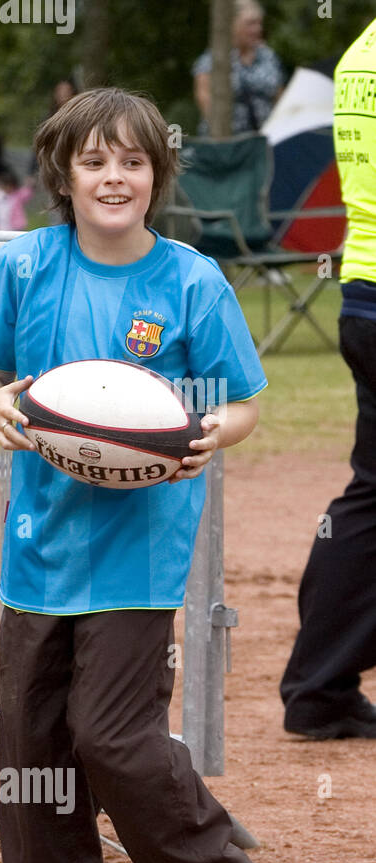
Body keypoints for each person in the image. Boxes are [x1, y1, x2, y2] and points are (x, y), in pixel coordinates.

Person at [0, 88, 267, 863]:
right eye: (94, 161)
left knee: (114, 737)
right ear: (64, 175)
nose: (113, 176)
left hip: (138, 556)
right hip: (39, 556)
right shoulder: (24, 267)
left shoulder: (192, 280)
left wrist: (211, 431)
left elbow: (240, 402)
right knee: (34, 749)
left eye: (131, 160)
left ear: (157, 174)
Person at [280, 17, 376, 740]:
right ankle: (319, 687)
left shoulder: (359, 53)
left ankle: (320, 689)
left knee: (371, 497)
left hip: (362, 293)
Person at [193, 0, 284, 135]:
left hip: (265, 141)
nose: (257, 29)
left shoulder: (268, 56)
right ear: (231, 23)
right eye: (251, 23)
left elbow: (280, 96)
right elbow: (204, 98)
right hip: (229, 144)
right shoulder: (213, 60)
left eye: (259, 23)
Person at [0, 167, 32, 231]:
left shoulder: (16, 195)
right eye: (7, 185)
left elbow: (26, 193)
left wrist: (29, 184)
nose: (9, 188)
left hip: (14, 227)